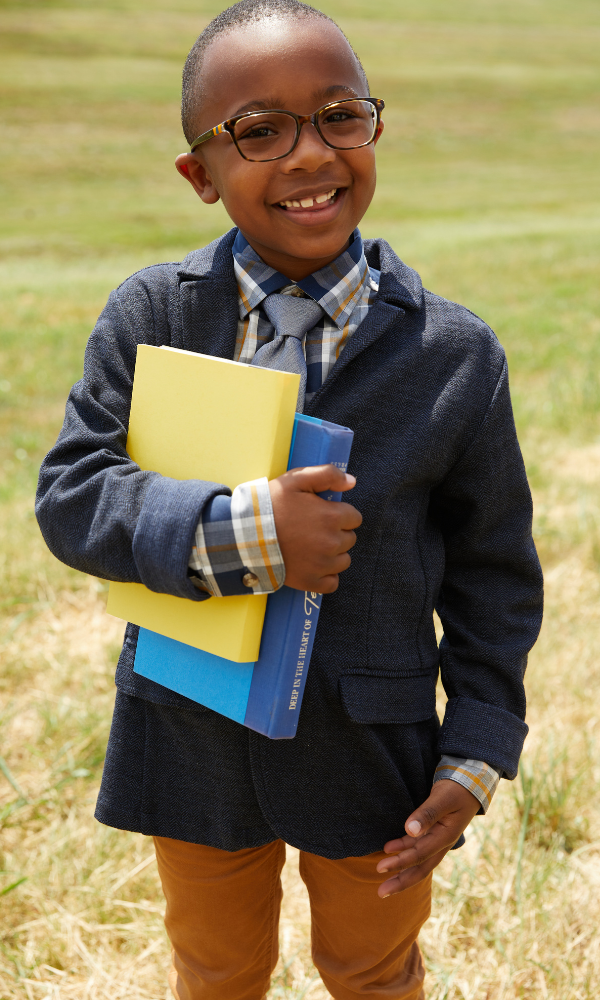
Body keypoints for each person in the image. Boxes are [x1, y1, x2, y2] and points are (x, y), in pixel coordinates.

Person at [36, 2, 543, 998]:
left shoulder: (454, 354)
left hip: (375, 748)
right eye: (258, 131)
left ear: (374, 129)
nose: (311, 155)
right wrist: (247, 533)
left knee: (374, 965)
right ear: (201, 176)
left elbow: (495, 575)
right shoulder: (153, 317)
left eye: (339, 115)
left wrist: (478, 753)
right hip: (188, 734)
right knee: (217, 967)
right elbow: (73, 494)